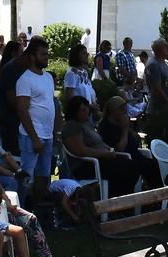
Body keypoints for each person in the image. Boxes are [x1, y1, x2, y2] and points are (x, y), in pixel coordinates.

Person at [61, 94, 156, 197]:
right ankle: (118, 199)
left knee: (132, 166)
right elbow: (81, 151)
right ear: (74, 111)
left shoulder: (86, 123)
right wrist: (104, 153)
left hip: (101, 159)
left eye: (87, 108)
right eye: (83, 109)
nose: (87, 111)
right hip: (86, 165)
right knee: (128, 168)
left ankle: (125, 197)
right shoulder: (71, 127)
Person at [13, 37, 59, 207]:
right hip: (31, 137)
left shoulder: (48, 77)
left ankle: (38, 209)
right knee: (26, 176)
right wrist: (34, 138)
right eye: (42, 54)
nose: (46, 57)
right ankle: (20, 209)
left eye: (47, 54)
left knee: (44, 175)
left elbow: (50, 104)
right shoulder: (25, 79)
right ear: (32, 57)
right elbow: (22, 110)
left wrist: (55, 132)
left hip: (47, 135)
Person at [144, 39, 168, 138]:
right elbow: (156, 89)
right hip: (158, 109)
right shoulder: (154, 64)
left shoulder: (165, 62)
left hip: (165, 107)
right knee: (157, 136)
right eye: (166, 46)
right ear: (159, 49)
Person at [63, 43, 97, 111]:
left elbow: (88, 91)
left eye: (87, 53)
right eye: (84, 53)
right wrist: (88, 107)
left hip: (88, 111)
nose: (87, 55)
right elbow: (69, 98)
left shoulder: (84, 72)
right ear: (76, 56)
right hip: (78, 112)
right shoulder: (71, 74)